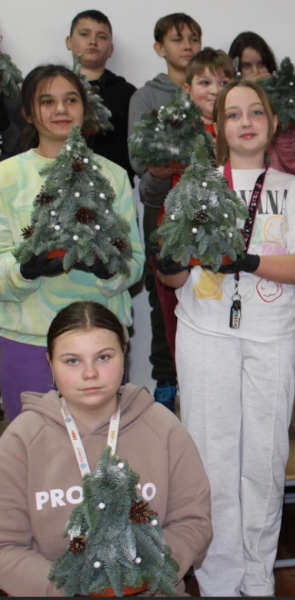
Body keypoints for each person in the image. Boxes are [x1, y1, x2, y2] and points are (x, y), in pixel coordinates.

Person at [154, 79, 295, 596]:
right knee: (213, 458)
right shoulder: (196, 187)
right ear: (219, 128)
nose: (246, 122)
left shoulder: (291, 189)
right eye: (233, 114)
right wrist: (169, 263)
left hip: (272, 336)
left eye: (256, 113)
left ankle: (257, 574)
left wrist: (247, 261)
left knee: (264, 460)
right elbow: (174, 278)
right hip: (206, 334)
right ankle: (220, 578)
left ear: (272, 124)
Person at [0, 301, 212, 597]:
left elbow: (192, 523)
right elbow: (5, 546)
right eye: (72, 361)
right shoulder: (21, 439)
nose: (90, 373)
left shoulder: (162, 426)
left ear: (124, 354)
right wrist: (65, 587)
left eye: (103, 357)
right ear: (50, 363)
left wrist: (147, 571)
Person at [0, 65, 144, 422]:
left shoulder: (113, 175)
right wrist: (25, 270)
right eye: (47, 101)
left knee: (103, 448)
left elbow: (135, 261)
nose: (61, 109)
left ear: (85, 108)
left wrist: (110, 270)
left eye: (71, 100)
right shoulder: (6, 176)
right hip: (27, 340)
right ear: (27, 113)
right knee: (35, 448)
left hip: (101, 340)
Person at [136, 48, 234, 406]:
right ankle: (173, 382)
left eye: (223, 82)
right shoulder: (173, 131)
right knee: (170, 320)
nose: (215, 90)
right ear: (187, 88)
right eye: (205, 82)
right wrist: (160, 173)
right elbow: (149, 192)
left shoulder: (238, 131)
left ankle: (219, 391)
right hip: (176, 242)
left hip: (223, 242)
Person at [127, 12, 202, 411]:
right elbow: (139, 160)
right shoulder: (146, 97)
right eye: (177, 39)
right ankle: (167, 380)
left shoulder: (209, 92)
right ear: (159, 48)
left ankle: (201, 377)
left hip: (207, 209)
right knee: (163, 300)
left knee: (208, 288)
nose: (187, 45)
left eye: (193, 38)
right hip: (161, 209)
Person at [66, 10, 136, 181]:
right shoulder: (54, 90)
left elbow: (136, 150)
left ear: (111, 49)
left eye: (102, 37)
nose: (93, 41)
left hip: (113, 185)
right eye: (84, 34)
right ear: (69, 42)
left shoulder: (127, 93)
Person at [228, 31, 295, 175]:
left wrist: (282, 125)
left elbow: (294, 165)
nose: (256, 72)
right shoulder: (226, 106)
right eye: (247, 66)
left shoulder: (288, 103)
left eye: (261, 64)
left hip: (276, 183)